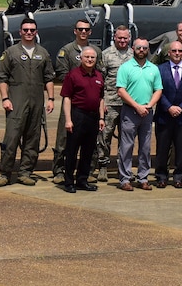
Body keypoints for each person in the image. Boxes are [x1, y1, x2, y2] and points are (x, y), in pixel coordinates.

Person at [0, 18, 56, 187]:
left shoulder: (42, 53)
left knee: (33, 138)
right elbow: (2, 77)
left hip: (36, 103)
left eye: (32, 30)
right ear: (20, 32)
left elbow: (49, 78)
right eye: (26, 30)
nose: (29, 33)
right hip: (16, 102)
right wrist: (5, 98)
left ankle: (25, 172)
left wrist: (51, 99)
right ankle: (5, 173)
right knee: (11, 138)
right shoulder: (11, 53)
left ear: (36, 32)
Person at [50, 19, 103, 185]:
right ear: (75, 31)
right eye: (80, 29)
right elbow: (62, 73)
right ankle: (59, 170)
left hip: (91, 105)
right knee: (64, 139)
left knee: (89, 143)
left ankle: (85, 173)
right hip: (72, 101)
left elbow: (100, 72)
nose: (83, 32)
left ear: (90, 32)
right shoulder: (67, 50)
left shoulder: (96, 51)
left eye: (86, 29)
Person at [116, 37, 163, 191]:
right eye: (138, 48)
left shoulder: (153, 68)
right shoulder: (126, 67)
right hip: (130, 111)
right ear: (133, 48)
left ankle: (143, 178)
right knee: (126, 146)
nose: (141, 50)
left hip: (147, 112)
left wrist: (149, 106)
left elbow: (158, 89)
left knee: (145, 147)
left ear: (148, 49)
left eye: (144, 48)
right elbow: (121, 90)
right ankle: (125, 179)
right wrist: (136, 106)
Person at [60, 46, 105, 193]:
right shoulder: (73, 75)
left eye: (92, 57)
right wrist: (68, 119)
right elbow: (67, 98)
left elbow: (101, 98)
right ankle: (68, 182)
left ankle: (82, 180)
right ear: (81, 58)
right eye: (87, 57)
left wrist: (101, 118)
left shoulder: (99, 76)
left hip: (93, 117)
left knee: (88, 151)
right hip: (78, 115)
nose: (90, 60)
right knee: (72, 151)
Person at [155, 41, 182, 188]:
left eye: (180, 51)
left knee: (181, 149)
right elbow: (157, 90)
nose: (177, 53)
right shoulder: (160, 70)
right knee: (162, 149)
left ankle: (179, 176)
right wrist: (169, 107)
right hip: (164, 115)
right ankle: (161, 176)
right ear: (169, 53)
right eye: (174, 51)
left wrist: (181, 107)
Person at [95, 25, 133, 182]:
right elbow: (100, 81)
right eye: (119, 38)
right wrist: (101, 102)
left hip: (129, 103)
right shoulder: (106, 55)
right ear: (115, 38)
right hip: (110, 101)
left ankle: (122, 168)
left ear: (129, 38)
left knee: (127, 137)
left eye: (125, 38)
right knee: (105, 136)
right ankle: (103, 166)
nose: (122, 41)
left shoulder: (134, 54)